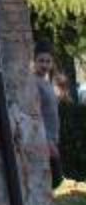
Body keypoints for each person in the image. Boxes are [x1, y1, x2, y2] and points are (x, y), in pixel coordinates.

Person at [34, 40, 63, 189]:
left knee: (53, 179)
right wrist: (47, 140)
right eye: (41, 61)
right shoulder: (34, 83)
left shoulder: (47, 83)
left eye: (48, 61)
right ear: (34, 61)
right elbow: (35, 114)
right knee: (56, 178)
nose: (45, 65)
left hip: (53, 137)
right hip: (45, 139)